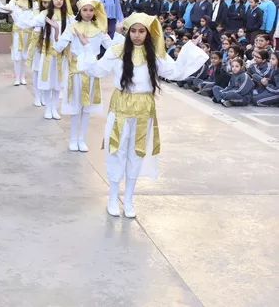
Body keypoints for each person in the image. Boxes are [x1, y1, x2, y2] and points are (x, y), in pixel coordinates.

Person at [75, 12, 208, 218]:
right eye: (133, 31)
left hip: (144, 109)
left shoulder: (155, 54)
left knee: (136, 153)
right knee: (116, 151)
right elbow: (96, 70)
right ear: (128, 32)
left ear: (148, 33)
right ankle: (112, 198)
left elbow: (175, 72)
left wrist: (191, 49)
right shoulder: (116, 51)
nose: (137, 35)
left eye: (141, 31)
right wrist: (85, 47)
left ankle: (128, 200)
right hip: (120, 107)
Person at [55, 0, 119, 152]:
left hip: (92, 72)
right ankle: (73, 139)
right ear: (80, 11)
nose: (88, 13)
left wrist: (119, 34)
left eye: (91, 10)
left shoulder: (99, 28)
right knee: (75, 106)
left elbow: (111, 47)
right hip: (76, 72)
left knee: (87, 108)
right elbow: (59, 47)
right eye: (85, 10)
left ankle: (82, 139)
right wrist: (58, 32)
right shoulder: (72, 27)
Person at [28, 0, 75, 120]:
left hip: (61, 54)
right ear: (51, 0)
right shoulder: (44, 14)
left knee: (57, 83)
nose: (59, 1)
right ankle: (48, 109)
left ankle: (54, 108)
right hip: (47, 53)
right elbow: (30, 22)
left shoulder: (68, 17)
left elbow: (74, 32)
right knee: (47, 81)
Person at [0, 0, 39, 86]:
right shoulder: (14, 2)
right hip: (17, 32)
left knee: (25, 56)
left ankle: (23, 77)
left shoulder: (34, 3)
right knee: (17, 55)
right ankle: (17, 78)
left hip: (28, 33)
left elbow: (36, 17)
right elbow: (4, 8)